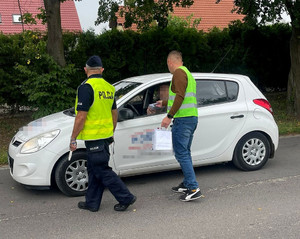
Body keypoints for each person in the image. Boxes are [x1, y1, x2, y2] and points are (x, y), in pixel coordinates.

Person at [70, 55, 136, 212]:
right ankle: (92, 202)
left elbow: (81, 116)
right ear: (102, 70)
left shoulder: (86, 87)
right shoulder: (109, 87)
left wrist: (73, 137)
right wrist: (110, 132)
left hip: (94, 138)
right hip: (105, 137)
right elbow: (114, 113)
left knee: (101, 170)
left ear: (85, 70)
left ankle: (126, 197)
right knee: (93, 170)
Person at [157, 50, 203, 202]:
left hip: (183, 120)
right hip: (191, 118)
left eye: (167, 64)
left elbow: (181, 96)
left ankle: (193, 188)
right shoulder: (187, 73)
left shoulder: (178, 73)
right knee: (185, 152)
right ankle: (187, 183)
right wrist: (163, 103)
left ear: (170, 62)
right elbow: (178, 96)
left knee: (181, 153)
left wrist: (169, 116)